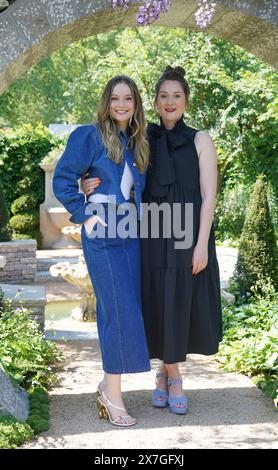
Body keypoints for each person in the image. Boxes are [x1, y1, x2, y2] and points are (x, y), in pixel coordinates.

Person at [82, 66, 222, 416]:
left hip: (186, 233)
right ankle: (164, 374)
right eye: (163, 96)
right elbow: (113, 173)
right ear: (155, 103)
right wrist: (86, 185)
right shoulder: (141, 138)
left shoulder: (200, 139)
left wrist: (201, 243)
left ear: (186, 100)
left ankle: (171, 376)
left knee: (179, 301)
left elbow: (209, 196)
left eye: (176, 95)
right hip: (149, 233)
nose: (170, 101)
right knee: (157, 302)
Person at [52, 75, 151, 427]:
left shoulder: (136, 140)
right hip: (103, 235)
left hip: (131, 235)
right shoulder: (89, 135)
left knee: (130, 308)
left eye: (128, 99)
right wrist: (83, 214)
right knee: (117, 311)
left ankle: (108, 386)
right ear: (106, 103)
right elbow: (63, 177)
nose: (121, 105)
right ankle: (112, 395)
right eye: (115, 99)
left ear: (136, 104)